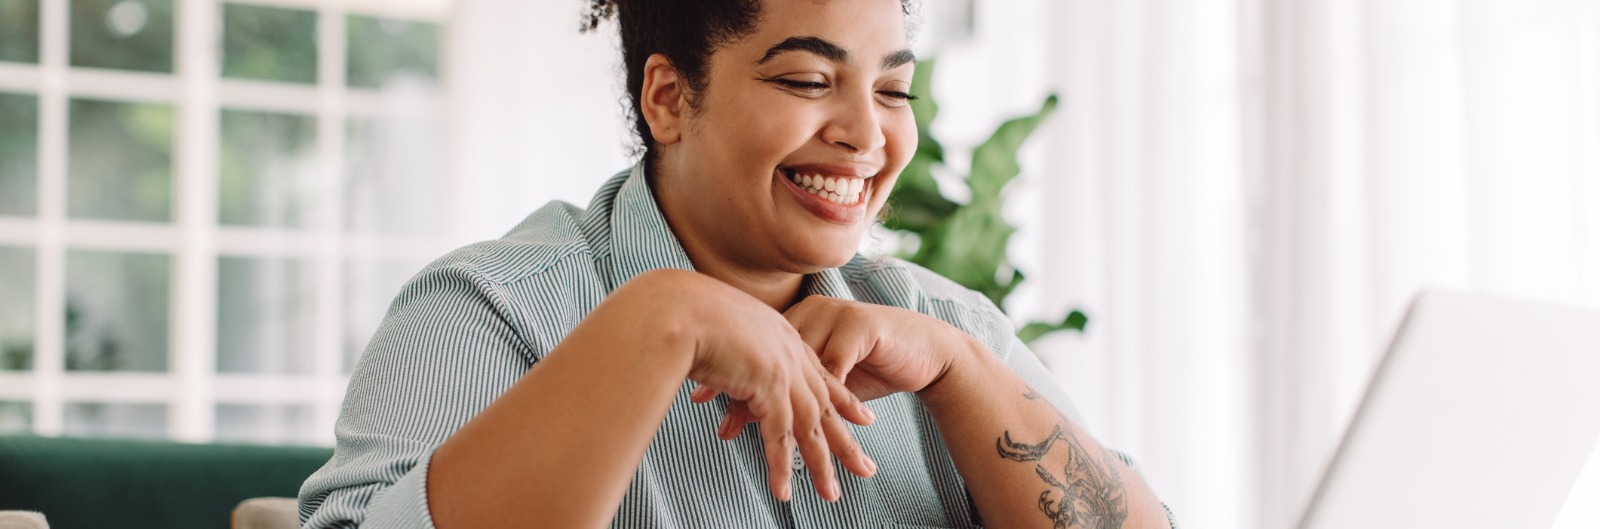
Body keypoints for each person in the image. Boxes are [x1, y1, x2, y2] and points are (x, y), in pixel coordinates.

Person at [299, 0, 1176, 527]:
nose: (868, 134)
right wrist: (659, 322)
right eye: (806, 81)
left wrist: (961, 373)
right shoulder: (484, 313)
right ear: (670, 98)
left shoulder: (948, 333)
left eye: (893, 89)